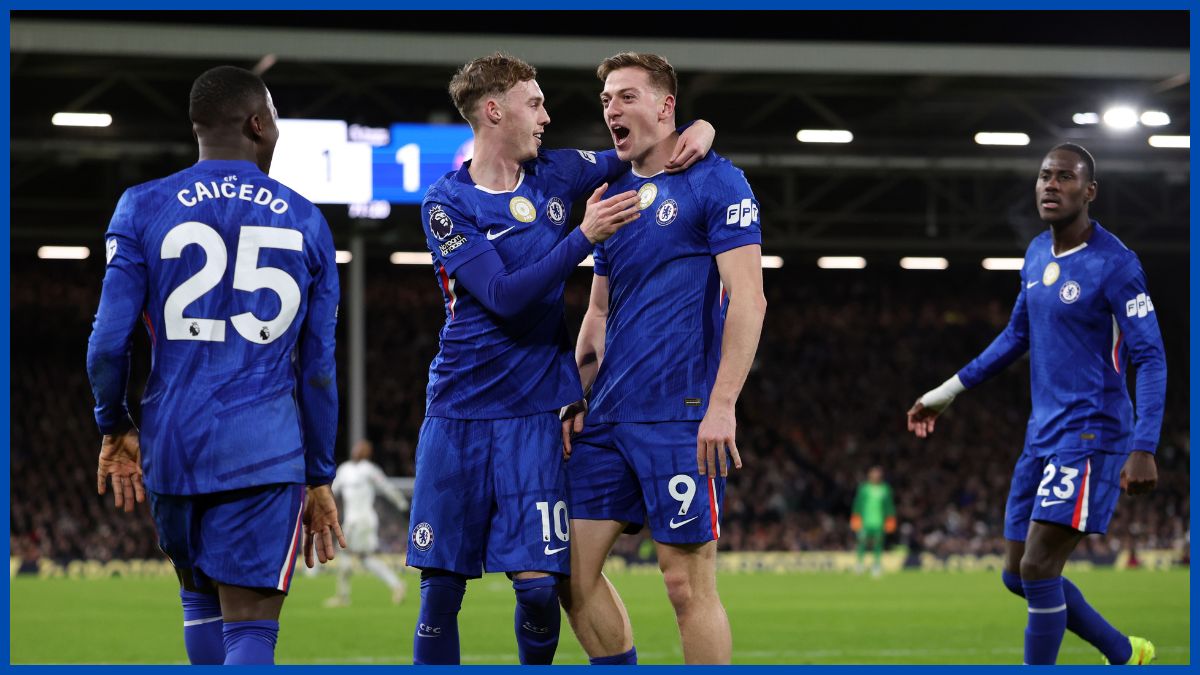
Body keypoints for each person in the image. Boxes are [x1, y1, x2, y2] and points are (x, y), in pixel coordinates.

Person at [406, 52, 715, 666]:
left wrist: (702, 129)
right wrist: (583, 237)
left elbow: (642, 147)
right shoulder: (446, 202)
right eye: (535, 103)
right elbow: (501, 297)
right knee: (441, 589)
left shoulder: (556, 173)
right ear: (494, 111)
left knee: (543, 591)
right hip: (459, 412)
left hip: (533, 417)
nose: (548, 116)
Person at [87, 65, 345, 665]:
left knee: (200, 607)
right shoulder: (306, 220)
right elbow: (319, 367)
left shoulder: (141, 205)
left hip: (173, 445)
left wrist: (114, 424)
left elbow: (106, 341)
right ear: (258, 123)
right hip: (262, 450)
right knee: (251, 631)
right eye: (275, 119)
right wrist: (318, 473)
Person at [906, 143, 1165, 665]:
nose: (1051, 185)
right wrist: (946, 392)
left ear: (1089, 191)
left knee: (1040, 570)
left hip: (1092, 433)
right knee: (1016, 573)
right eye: (1045, 176)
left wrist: (1144, 446)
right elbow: (1015, 335)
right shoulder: (1035, 254)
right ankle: (1122, 653)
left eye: (1065, 178)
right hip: (1041, 435)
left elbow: (1151, 357)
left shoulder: (1116, 265)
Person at [559, 52, 766, 665]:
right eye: (606, 101)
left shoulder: (716, 180)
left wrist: (723, 404)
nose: (611, 110)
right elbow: (597, 314)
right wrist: (577, 393)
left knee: (685, 585)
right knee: (568, 577)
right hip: (607, 421)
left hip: (681, 417)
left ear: (664, 106)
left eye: (625, 96)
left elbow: (749, 298)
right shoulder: (610, 194)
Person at [325, 439, 410, 608]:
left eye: (362, 448)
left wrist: (402, 504)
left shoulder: (370, 470)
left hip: (363, 521)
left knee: (351, 556)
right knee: (361, 558)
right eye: (357, 447)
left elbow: (386, 487)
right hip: (351, 521)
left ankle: (344, 596)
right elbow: (333, 491)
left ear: (367, 453)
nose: (358, 450)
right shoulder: (345, 470)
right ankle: (396, 585)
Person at [850, 465, 896, 577]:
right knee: (861, 543)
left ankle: (876, 565)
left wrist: (891, 519)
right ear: (869, 475)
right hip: (865, 522)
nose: (876, 475)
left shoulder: (885, 489)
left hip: (879, 522)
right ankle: (859, 565)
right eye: (874, 473)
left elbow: (889, 506)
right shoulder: (864, 489)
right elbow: (857, 504)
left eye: (878, 473)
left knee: (878, 544)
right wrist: (855, 518)